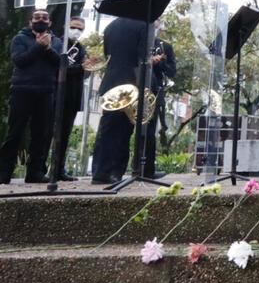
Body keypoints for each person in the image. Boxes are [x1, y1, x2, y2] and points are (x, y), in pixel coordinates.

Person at [1, 9, 62, 184]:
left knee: (41, 135)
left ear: (49, 22)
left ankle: (35, 172)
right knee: (15, 133)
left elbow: (59, 63)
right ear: (30, 21)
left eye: (44, 18)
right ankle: (4, 172)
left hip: (45, 92)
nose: (41, 20)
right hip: (22, 90)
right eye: (37, 17)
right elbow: (19, 60)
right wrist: (38, 46)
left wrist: (48, 48)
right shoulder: (20, 39)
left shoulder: (56, 41)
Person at [91, 16, 149, 184]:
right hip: (129, 84)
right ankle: (115, 172)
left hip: (111, 82)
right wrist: (142, 86)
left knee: (107, 128)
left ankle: (100, 171)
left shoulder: (110, 26)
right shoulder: (144, 23)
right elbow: (143, 58)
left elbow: (107, 54)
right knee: (123, 130)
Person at [49, 16, 88, 182]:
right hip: (56, 94)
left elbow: (83, 73)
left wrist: (87, 68)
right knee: (49, 133)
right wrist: (81, 68)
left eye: (80, 29)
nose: (77, 31)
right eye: (74, 27)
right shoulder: (58, 43)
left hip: (73, 96)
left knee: (65, 135)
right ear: (66, 26)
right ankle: (44, 169)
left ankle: (59, 169)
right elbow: (59, 68)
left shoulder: (81, 48)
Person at [138, 24, 177, 179]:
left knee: (150, 130)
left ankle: (148, 170)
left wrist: (159, 62)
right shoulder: (138, 42)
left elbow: (172, 71)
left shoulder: (164, 46)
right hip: (134, 87)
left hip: (154, 91)